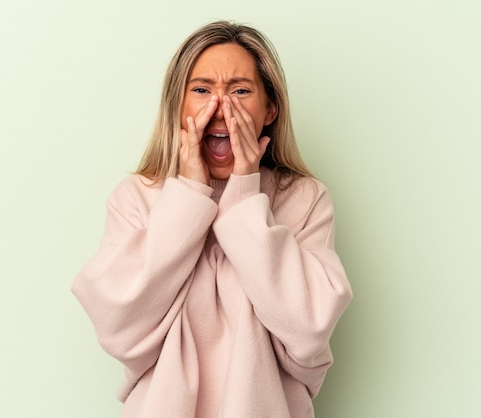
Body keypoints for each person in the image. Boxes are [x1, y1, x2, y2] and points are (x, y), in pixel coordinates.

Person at [72, 20, 352, 418]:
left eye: (240, 91)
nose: (221, 108)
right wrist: (187, 196)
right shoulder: (137, 197)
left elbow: (309, 331)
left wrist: (243, 194)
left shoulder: (303, 199)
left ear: (270, 108)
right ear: (178, 105)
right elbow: (120, 326)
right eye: (202, 90)